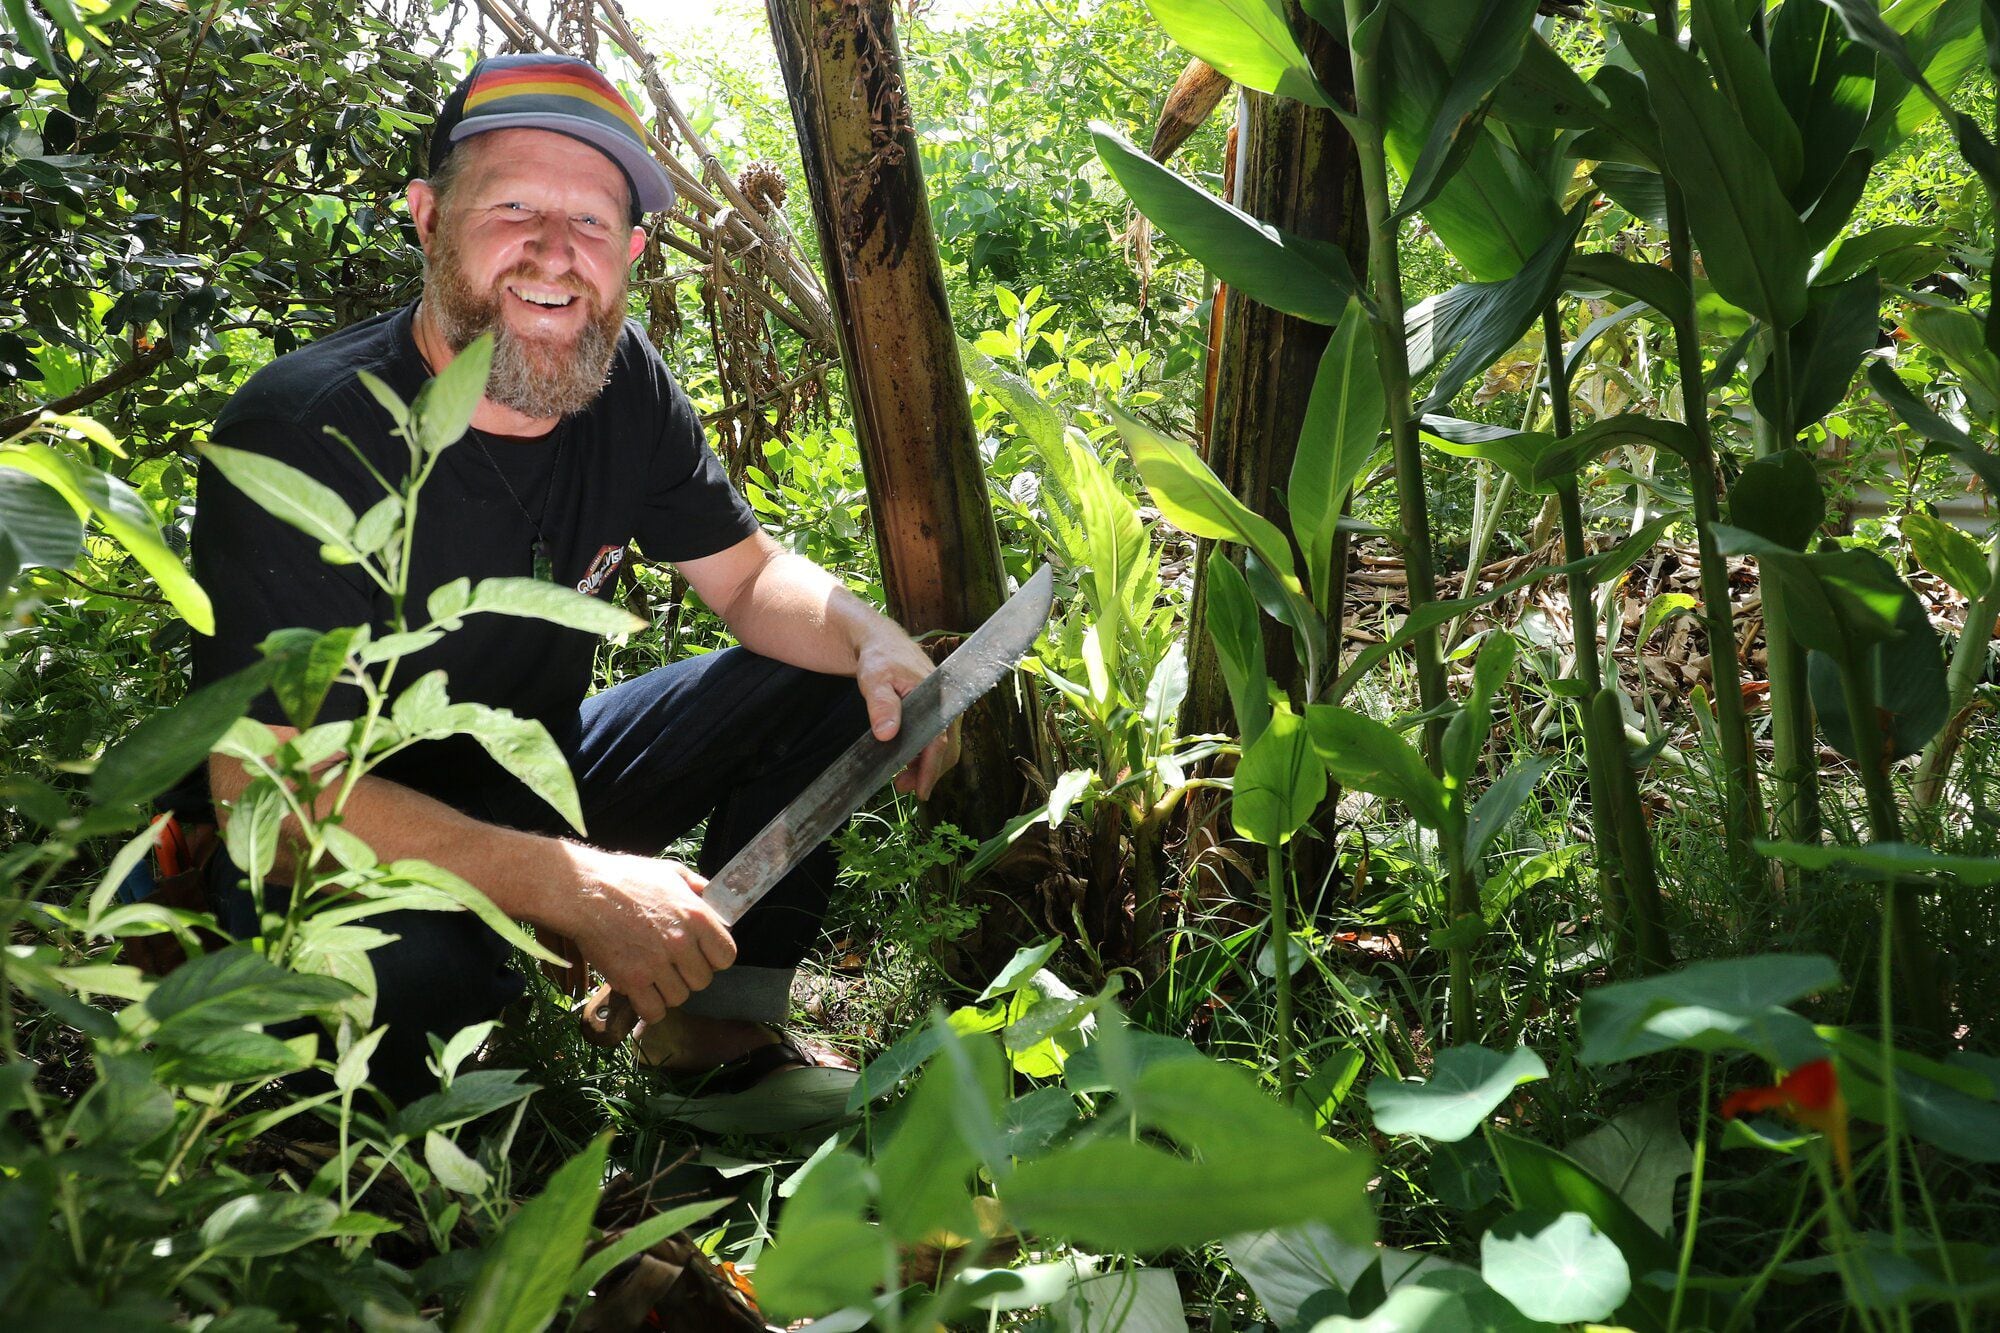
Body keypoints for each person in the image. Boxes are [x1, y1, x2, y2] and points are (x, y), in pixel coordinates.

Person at [190, 53, 957, 1105]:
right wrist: (571, 886)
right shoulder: (303, 430)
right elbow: (262, 797)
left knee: (826, 676)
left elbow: (746, 580)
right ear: (427, 217)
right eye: (511, 206)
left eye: (592, 222)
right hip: (346, 840)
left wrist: (873, 639)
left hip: (544, 775)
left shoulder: (622, 380)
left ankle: (714, 1038)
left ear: (632, 250)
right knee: (423, 975)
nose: (554, 252)